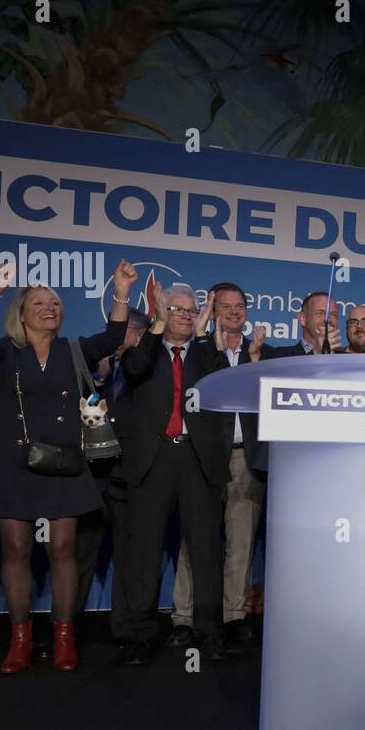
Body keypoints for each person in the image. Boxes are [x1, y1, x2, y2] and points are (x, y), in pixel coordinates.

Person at [0, 262, 132, 673]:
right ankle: (20, 640)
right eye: (39, 302)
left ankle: (63, 637)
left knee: (63, 549)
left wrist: (122, 291)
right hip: (12, 462)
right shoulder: (5, 352)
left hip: (64, 463)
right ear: (21, 313)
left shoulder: (73, 350)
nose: (49, 307)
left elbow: (113, 336)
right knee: (16, 550)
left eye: (54, 302)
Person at [114, 283, 230, 665]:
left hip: (197, 461)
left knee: (207, 550)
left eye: (190, 309)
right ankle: (142, 632)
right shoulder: (146, 350)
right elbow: (133, 371)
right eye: (176, 309)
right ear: (162, 312)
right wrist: (158, 327)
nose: (184, 314)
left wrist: (203, 336)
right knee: (144, 551)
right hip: (154, 459)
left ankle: (209, 631)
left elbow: (222, 385)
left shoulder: (205, 353)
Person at [169, 284, 264, 652]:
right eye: (225, 306)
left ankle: (234, 616)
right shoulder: (194, 352)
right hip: (203, 456)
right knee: (194, 540)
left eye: (240, 305)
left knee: (240, 543)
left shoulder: (262, 354)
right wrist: (208, 341)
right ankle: (183, 618)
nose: (234, 311)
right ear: (211, 309)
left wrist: (255, 363)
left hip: (246, 456)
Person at [74, 309, 151, 615]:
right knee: (80, 554)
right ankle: (65, 628)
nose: (117, 340)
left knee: (130, 555)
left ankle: (125, 628)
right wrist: (96, 378)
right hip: (92, 475)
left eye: (124, 332)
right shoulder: (93, 366)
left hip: (131, 474)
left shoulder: (151, 367)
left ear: (141, 334)